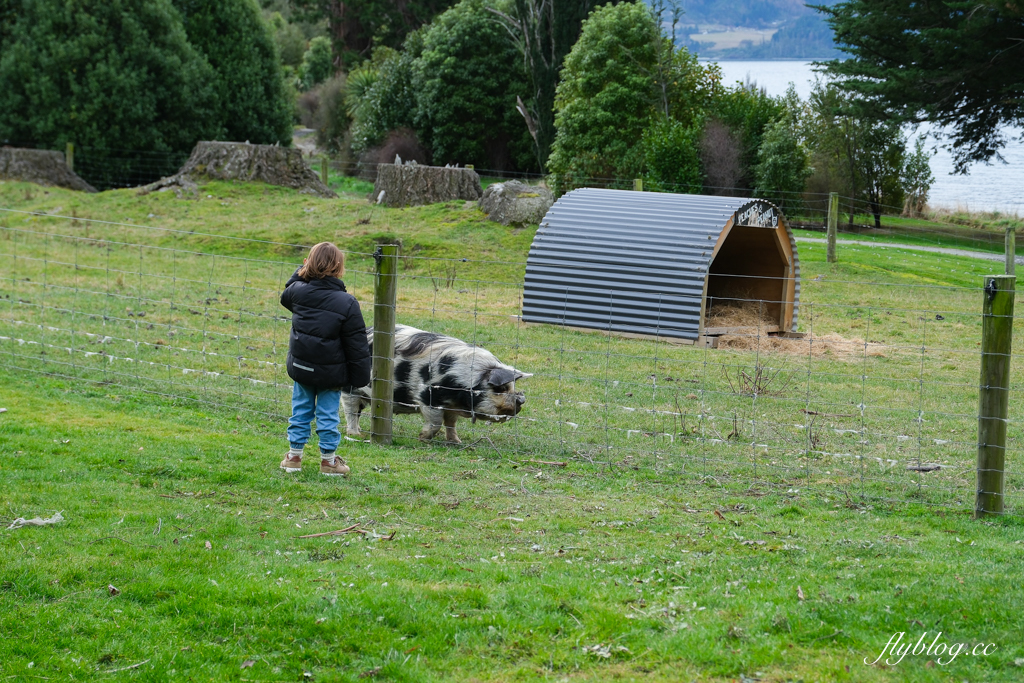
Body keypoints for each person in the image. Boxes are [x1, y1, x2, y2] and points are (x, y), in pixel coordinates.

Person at [279, 242, 371, 476]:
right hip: (331, 374)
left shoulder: (298, 292)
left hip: (301, 367)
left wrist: (302, 271)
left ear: (307, 264)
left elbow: (288, 290)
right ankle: (329, 462)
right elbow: (356, 343)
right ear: (339, 268)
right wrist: (360, 376)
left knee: (300, 410)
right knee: (328, 414)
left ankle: (293, 457)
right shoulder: (347, 302)